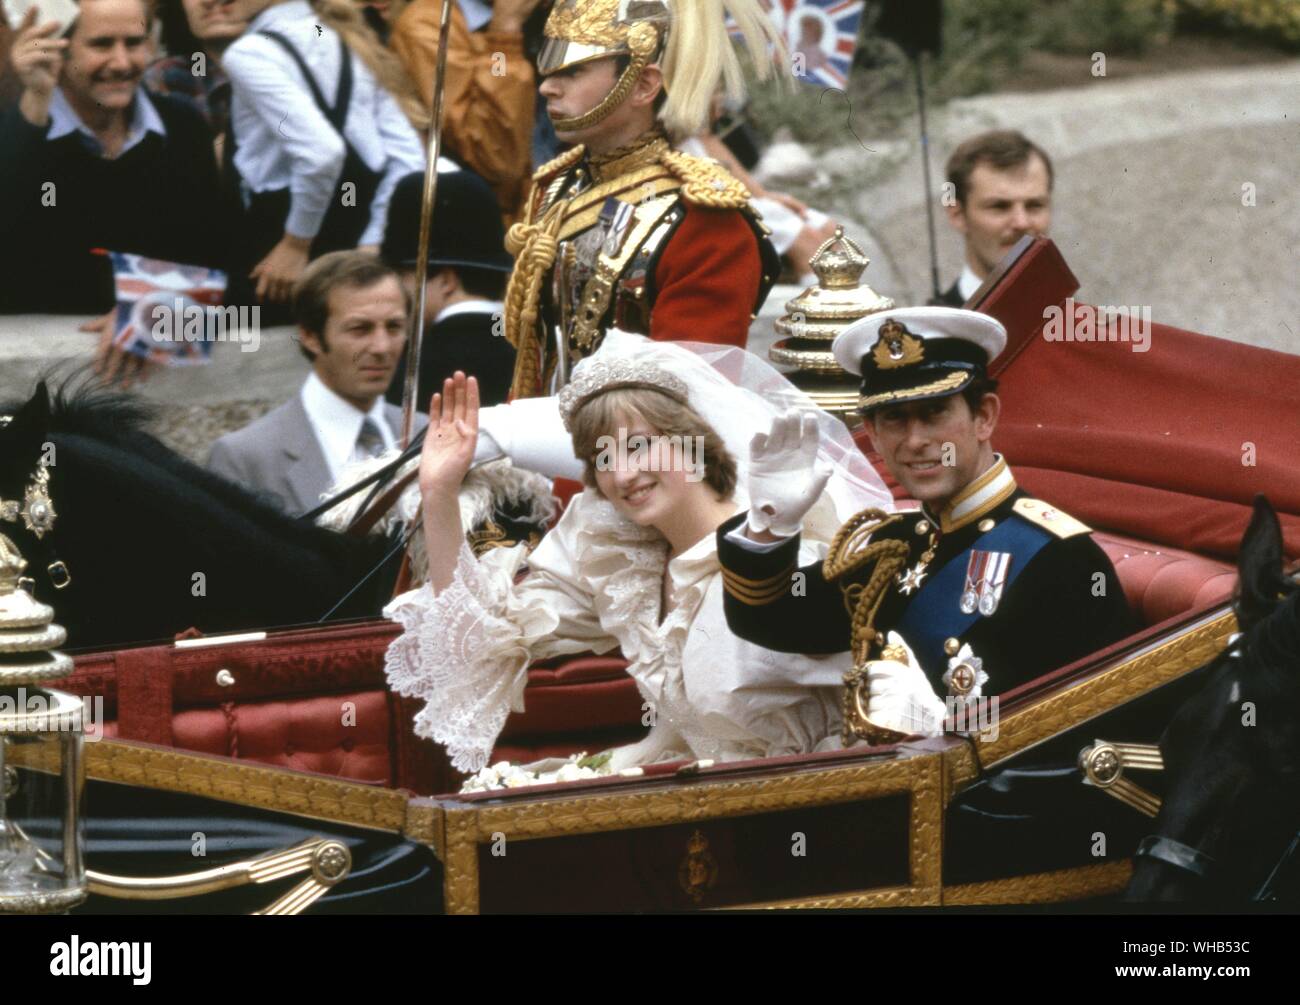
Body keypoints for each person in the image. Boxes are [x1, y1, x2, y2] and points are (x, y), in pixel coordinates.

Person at [381, 329, 894, 784]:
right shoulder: (626, 557)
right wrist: (440, 493)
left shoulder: (781, 557)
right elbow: (479, 638)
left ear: (694, 443)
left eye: (641, 447)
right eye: (603, 457)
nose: (623, 475)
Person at [716, 306, 1133, 740]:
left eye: (934, 412)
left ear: (984, 416)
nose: (915, 441)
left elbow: (1095, 744)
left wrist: (945, 731)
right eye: (894, 418)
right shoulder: (892, 546)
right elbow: (774, 621)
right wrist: (770, 522)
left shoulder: (1062, 560)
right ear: (874, 435)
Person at [501, 0, 784, 399]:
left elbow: (681, 400)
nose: (547, 85)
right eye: (550, 69)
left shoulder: (706, 219)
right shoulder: (556, 187)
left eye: (573, 70)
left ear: (644, 84)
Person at [0, 0, 229, 318]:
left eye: (133, 43)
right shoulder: (19, 133)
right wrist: (36, 99)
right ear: (57, 50)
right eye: (101, 44)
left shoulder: (183, 128)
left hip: (166, 359)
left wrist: (163, 304)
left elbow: (216, 262)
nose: (121, 63)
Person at [218, 0, 426, 315]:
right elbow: (409, 160)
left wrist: (296, 243)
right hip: (356, 246)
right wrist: (371, 244)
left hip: (278, 258)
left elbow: (321, 154)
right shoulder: (348, 39)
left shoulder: (248, 53)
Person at [208, 251, 424, 514]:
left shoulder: (432, 436)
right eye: (359, 329)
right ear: (310, 336)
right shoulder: (245, 458)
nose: (382, 347)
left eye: (394, 327)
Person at [389, 0, 544, 221]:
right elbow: (497, 155)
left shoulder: (555, 15)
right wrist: (504, 39)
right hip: (489, 226)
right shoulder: (428, 27)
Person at [380, 169, 517, 409]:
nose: (395, 289)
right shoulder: (534, 353)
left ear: (446, 281)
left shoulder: (411, 371)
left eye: (402, 275)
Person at [934, 130, 1053, 308]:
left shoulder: (1080, 327)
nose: (1021, 222)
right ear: (957, 215)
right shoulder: (933, 333)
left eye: (1034, 205)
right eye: (1000, 206)